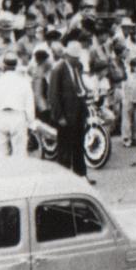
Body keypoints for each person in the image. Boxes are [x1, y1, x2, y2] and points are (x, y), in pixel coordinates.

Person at [48, 38, 89, 174]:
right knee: (65, 149)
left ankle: (81, 174)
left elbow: (80, 86)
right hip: (66, 115)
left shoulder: (77, 67)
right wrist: (59, 116)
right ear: (67, 56)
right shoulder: (58, 69)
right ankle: (64, 177)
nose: (76, 60)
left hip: (78, 113)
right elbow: (53, 95)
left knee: (79, 146)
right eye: (74, 58)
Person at [0, 51, 36, 157]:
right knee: (20, 153)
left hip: (1, 116)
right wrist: (31, 123)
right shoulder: (24, 82)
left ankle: (4, 173)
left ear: (4, 65)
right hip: (18, 117)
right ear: (16, 66)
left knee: (1, 153)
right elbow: (29, 105)